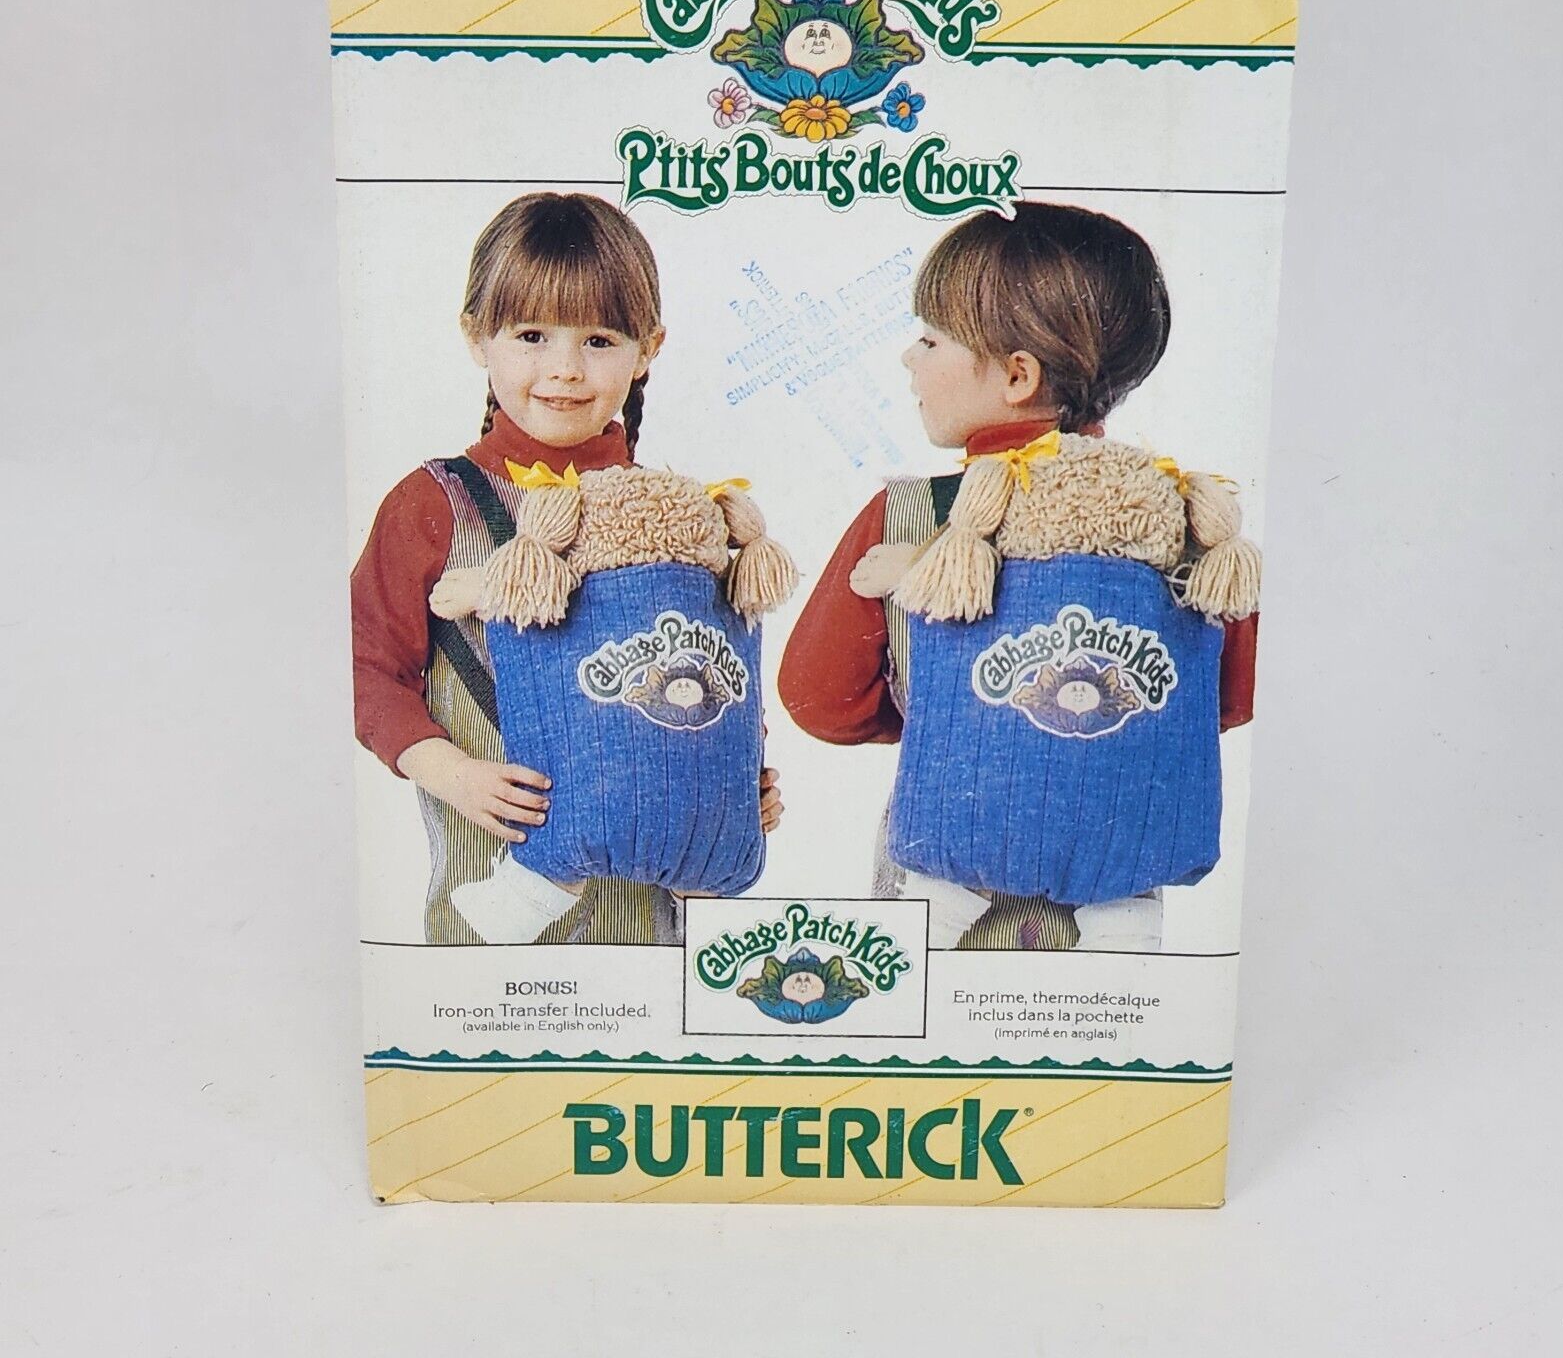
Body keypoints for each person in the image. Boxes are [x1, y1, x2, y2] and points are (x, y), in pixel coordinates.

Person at [779, 202, 1257, 953]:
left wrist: (961, 718)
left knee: (923, 1017)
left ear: (1016, 375)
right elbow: (1231, 698)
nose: (909, 358)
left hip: (942, 870)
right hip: (1119, 876)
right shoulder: (1189, 519)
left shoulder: (910, 517)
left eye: (930, 339)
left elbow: (818, 699)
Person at [352, 192, 782, 945]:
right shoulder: (433, 503)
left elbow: (711, 678)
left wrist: (738, 781)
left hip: (650, 937)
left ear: (648, 348)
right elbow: (361, 669)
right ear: (476, 336)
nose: (565, 370)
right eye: (531, 335)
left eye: (599, 340)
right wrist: (453, 774)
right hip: (490, 920)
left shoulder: (680, 517)